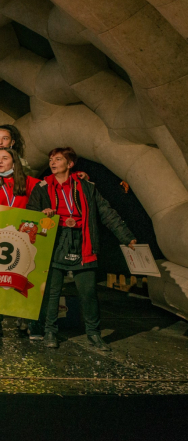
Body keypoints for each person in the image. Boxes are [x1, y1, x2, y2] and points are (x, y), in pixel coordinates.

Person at [27, 147, 136, 351]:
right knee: (52, 292)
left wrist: (127, 237)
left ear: (70, 164)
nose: (52, 163)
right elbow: (30, 213)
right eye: (51, 160)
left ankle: (93, 334)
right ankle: (50, 331)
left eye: (58, 159)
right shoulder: (42, 187)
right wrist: (42, 214)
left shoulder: (86, 187)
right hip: (56, 240)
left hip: (83, 241)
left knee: (88, 292)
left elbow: (107, 213)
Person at [0, 147, 40, 338]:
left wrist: (78, 176)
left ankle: (24, 320)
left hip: (23, 242)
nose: (0, 161)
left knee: (23, 283)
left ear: (14, 162)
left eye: (5, 158)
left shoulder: (29, 183)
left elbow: (53, 185)